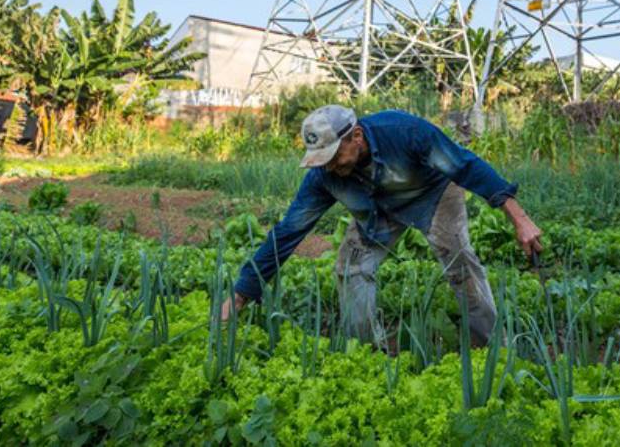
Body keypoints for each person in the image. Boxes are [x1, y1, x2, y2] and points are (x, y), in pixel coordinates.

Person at [222, 105, 543, 346]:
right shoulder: (325, 175)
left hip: (433, 194)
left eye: (334, 156)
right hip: (378, 208)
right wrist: (241, 293)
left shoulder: (404, 132)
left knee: (459, 262)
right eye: (322, 160)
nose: (330, 166)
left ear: (356, 136)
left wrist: (520, 218)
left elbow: (465, 166)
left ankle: (487, 345)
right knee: (351, 268)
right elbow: (288, 232)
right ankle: (365, 350)